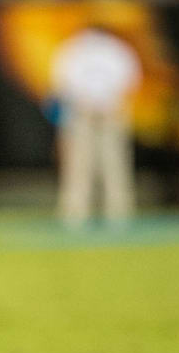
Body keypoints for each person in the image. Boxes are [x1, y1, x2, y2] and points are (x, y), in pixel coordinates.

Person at [49, 25, 141, 226]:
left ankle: (118, 213)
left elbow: (130, 80)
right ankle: (76, 214)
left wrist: (104, 101)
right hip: (84, 113)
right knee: (80, 165)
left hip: (109, 113)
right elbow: (62, 82)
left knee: (113, 163)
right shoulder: (76, 49)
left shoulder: (113, 49)